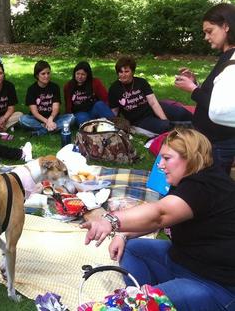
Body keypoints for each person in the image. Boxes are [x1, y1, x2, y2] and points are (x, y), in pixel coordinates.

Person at [82, 128, 235, 311]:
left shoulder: (204, 186)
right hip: (182, 261)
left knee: (142, 304)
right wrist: (123, 235)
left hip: (214, 285)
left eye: (167, 158)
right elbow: (162, 219)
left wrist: (110, 220)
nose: (160, 165)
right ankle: (141, 297)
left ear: (191, 157)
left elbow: (159, 215)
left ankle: (145, 302)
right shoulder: (189, 180)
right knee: (132, 249)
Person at [175, 3, 235, 174]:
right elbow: (218, 95)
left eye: (209, 31)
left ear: (226, 26)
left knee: (213, 189)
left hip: (219, 144)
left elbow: (221, 109)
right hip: (211, 140)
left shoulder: (232, 61)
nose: (206, 37)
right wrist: (196, 83)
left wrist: (193, 89)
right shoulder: (227, 56)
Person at [108, 56, 192, 134]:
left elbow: (153, 102)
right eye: (120, 72)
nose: (123, 75)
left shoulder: (141, 82)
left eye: (126, 71)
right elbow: (114, 112)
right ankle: (189, 130)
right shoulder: (114, 89)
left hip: (151, 109)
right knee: (166, 127)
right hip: (139, 120)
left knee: (181, 113)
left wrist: (164, 119)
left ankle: (199, 122)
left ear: (132, 72)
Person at [19, 60, 74, 136]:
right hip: (37, 119)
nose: (46, 76)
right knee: (22, 119)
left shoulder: (55, 87)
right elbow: (34, 112)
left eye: (48, 73)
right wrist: (47, 122)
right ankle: (51, 129)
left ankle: (41, 132)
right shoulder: (31, 89)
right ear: (37, 75)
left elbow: (56, 108)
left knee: (71, 117)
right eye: (43, 74)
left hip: (54, 118)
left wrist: (50, 119)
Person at [63, 61, 113, 127]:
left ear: (87, 75)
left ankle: (115, 124)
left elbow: (105, 98)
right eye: (78, 74)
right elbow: (68, 105)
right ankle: (95, 129)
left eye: (83, 74)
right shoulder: (68, 86)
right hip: (79, 113)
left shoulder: (95, 82)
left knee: (100, 104)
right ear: (74, 74)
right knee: (84, 119)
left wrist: (106, 110)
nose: (80, 77)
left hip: (93, 110)